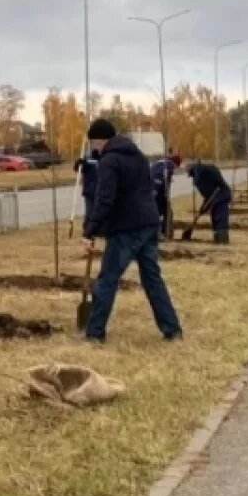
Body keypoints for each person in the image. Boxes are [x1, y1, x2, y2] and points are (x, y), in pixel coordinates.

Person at [80, 118, 182, 343]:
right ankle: (172, 329)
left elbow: (104, 199)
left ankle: (94, 333)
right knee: (152, 278)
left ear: (99, 140)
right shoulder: (138, 156)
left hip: (125, 228)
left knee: (107, 279)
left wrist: (90, 231)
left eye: (93, 143)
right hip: (149, 223)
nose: (93, 148)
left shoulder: (109, 161)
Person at [186, 160, 233, 244]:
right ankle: (217, 239)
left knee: (221, 218)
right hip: (215, 198)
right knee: (215, 219)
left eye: (191, 174)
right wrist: (202, 210)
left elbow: (210, 193)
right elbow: (208, 196)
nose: (192, 177)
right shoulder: (201, 179)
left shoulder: (203, 172)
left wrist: (204, 207)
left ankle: (223, 240)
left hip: (221, 195)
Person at [149, 153, 182, 236]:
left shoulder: (158, 163)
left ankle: (162, 231)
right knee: (165, 212)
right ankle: (164, 232)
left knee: (159, 211)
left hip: (151, 191)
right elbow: (163, 180)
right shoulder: (169, 165)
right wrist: (165, 194)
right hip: (156, 191)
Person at [73, 144, 100, 221]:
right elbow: (77, 169)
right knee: (89, 213)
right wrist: (78, 163)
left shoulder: (105, 158)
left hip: (101, 191)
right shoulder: (87, 159)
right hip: (89, 191)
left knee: (100, 213)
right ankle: (88, 230)